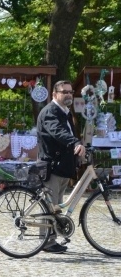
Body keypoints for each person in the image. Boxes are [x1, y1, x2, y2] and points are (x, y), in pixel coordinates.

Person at [36, 80, 85, 254]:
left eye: (71, 92)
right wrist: (75, 143)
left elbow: (69, 133)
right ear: (54, 94)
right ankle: (46, 242)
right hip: (51, 166)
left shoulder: (65, 112)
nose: (69, 95)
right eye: (64, 92)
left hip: (62, 165)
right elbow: (58, 132)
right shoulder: (50, 111)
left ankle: (52, 238)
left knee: (56, 205)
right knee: (50, 206)